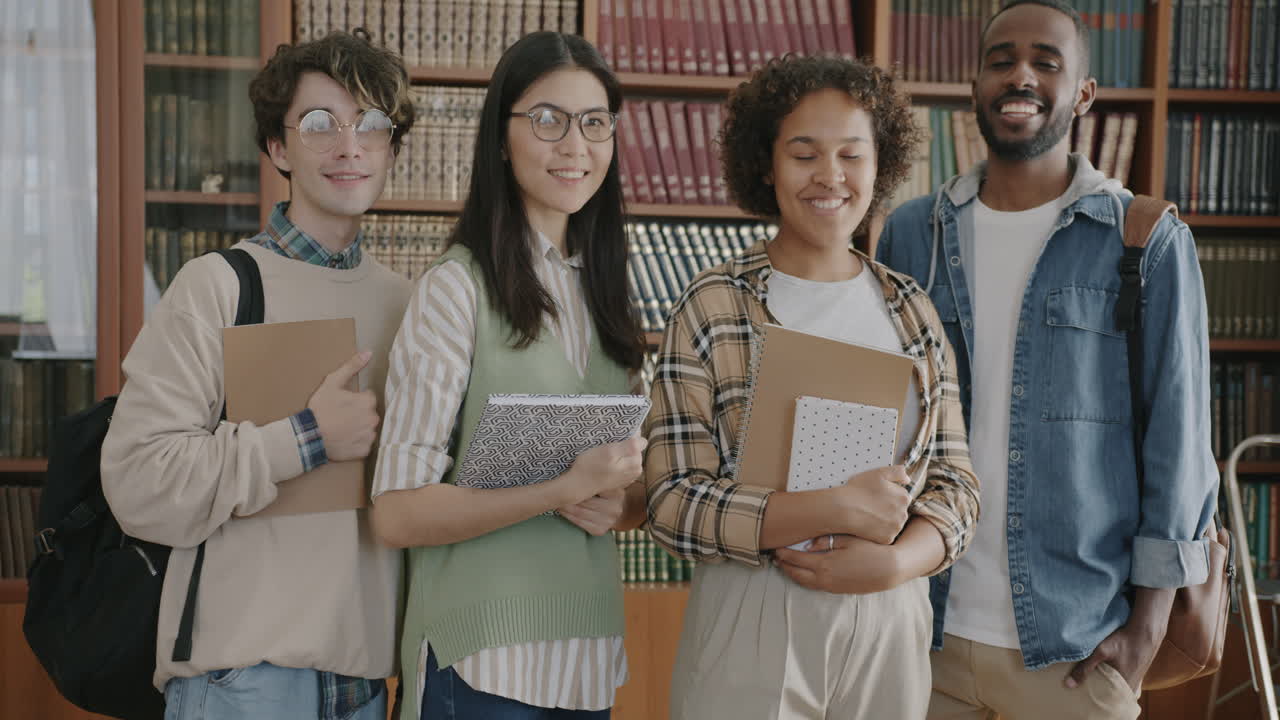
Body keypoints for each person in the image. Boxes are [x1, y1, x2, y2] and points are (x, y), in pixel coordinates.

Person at [876, 2, 1218, 718]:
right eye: (1000, 59)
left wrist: (1148, 626)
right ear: (975, 84)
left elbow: (1179, 442)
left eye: (1045, 62)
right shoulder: (913, 234)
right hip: (924, 630)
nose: (1020, 76)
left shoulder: (1145, 239)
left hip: (1077, 643)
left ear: (1083, 94)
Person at [643, 54, 980, 720]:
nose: (830, 177)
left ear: (880, 165)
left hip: (889, 611)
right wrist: (830, 509)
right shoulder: (713, 305)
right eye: (804, 155)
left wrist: (898, 563)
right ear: (766, 166)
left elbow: (958, 489)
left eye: (851, 155)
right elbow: (672, 500)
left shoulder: (911, 310)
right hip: (753, 608)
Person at [100, 30, 416, 719]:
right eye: (319, 124)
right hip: (241, 683)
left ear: (391, 148)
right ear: (278, 148)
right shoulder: (217, 287)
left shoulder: (409, 304)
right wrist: (304, 437)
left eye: (371, 126)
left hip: (365, 686)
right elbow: (139, 482)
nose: (350, 146)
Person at [369, 31, 648, 720]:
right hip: (480, 664)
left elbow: (628, 495)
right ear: (500, 136)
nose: (575, 146)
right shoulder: (455, 290)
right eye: (547, 120)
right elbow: (397, 511)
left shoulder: (609, 293)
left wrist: (620, 503)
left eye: (593, 124)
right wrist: (559, 487)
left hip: (586, 662)